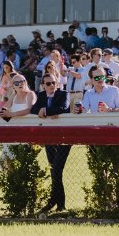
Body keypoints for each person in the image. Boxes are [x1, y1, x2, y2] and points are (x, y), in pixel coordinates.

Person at [32, 72, 72, 214]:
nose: (51, 86)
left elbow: (63, 108)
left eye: (53, 83)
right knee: (53, 170)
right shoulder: (41, 96)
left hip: (64, 138)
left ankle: (55, 202)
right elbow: (34, 109)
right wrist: (43, 110)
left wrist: (46, 111)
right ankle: (58, 204)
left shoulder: (63, 93)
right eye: (48, 83)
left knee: (56, 170)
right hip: (48, 137)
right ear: (43, 85)